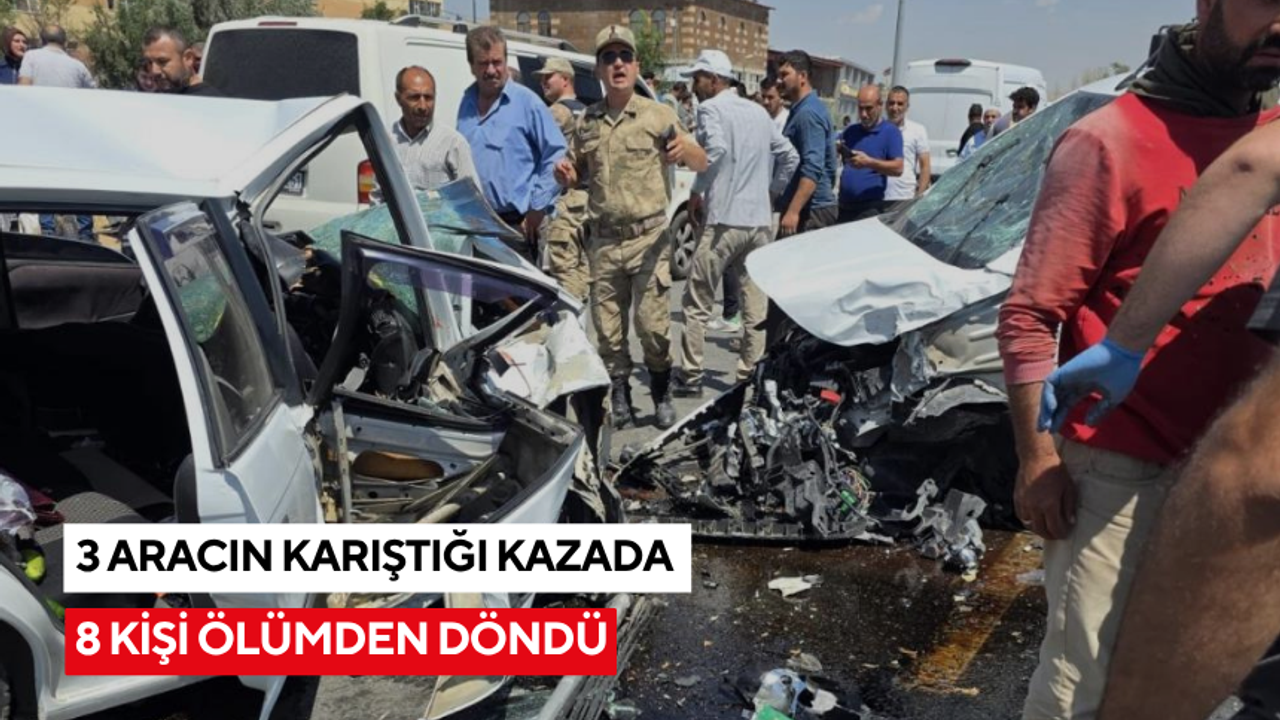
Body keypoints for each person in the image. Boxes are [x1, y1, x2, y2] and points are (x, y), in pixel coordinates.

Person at [994, 5, 1280, 718]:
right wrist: (1038, 460)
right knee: (1084, 685)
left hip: (1231, 477)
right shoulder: (1110, 140)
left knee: (1196, 680)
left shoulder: (1268, 136)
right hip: (1123, 468)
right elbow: (1029, 315)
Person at [554, 24, 708, 430]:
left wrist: (685, 149)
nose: (618, 64)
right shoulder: (587, 121)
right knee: (608, 331)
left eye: (625, 56)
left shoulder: (659, 115)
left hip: (649, 241)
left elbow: (701, 160)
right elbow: (577, 172)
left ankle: (661, 392)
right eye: (609, 57)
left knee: (653, 328)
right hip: (604, 242)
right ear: (598, 70)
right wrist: (566, 175)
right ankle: (619, 397)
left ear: (636, 65)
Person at [672, 49, 797, 398]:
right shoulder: (758, 111)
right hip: (757, 222)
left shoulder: (711, 109)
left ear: (714, 80)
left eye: (698, 78)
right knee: (754, 307)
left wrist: (697, 190)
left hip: (724, 220)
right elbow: (790, 156)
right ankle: (749, 377)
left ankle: (691, 376)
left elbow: (716, 151)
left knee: (697, 302)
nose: (693, 86)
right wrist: (771, 193)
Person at [457, 26, 565, 262]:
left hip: (516, 229)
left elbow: (556, 154)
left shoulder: (527, 103)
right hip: (476, 228)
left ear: (506, 61)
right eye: (483, 63)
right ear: (471, 65)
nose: (491, 70)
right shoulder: (466, 103)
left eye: (497, 62)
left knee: (518, 289)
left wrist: (537, 208)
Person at [19, 25, 96, 242]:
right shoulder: (77, 65)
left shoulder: (31, 57)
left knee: (45, 180)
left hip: (41, 131)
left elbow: (23, 89)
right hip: (72, 131)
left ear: (42, 39)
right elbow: (93, 96)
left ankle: (49, 232)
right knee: (79, 181)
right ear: (64, 41)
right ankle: (86, 232)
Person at [536, 56, 591, 302]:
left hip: (563, 198)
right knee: (583, 267)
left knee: (561, 269)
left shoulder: (556, 111)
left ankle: (569, 315)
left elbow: (537, 151)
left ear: (566, 79)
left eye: (549, 77)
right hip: (587, 198)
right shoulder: (587, 111)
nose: (543, 82)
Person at [381, 66, 477, 197]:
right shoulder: (385, 141)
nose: (423, 106)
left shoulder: (453, 143)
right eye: (414, 97)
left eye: (428, 97)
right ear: (398, 99)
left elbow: (472, 199)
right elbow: (378, 196)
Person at [774, 50, 838, 237]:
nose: (779, 81)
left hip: (810, 212)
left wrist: (793, 211)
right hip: (806, 209)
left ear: (802, 76)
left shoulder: (807, 114)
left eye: (784, 75)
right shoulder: (801, 110)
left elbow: (813, 166)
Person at [837, 85, 903, 223]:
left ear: (879, 105)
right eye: (860, 108)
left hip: (868, 209)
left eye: (868, 108)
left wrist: (869, 162)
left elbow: (898, 168)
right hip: (844, 207)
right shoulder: (851, 131)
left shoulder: (890, 132)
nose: (863, 114)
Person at [884, 86, 930, 206]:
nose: (895, 108)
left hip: (904, 197)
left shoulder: (918, 130)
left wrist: (918, 197)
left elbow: (925, 166)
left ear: (907, 106)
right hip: (879, 196)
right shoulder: (878, 129)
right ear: (886, 105)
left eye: (900, 104)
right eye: (891, 103)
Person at [142, 26, 221, 96]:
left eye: (162, 62)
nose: (154, 71)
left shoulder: (211, 102)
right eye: (149, 63)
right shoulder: (155, 100)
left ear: (188, 58)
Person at [17, 25, 93, 89]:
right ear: (65, 43)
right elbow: (91, 91)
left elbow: (24, 85)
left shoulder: (31, 56)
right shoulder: (78, 66)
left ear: (41, 41)